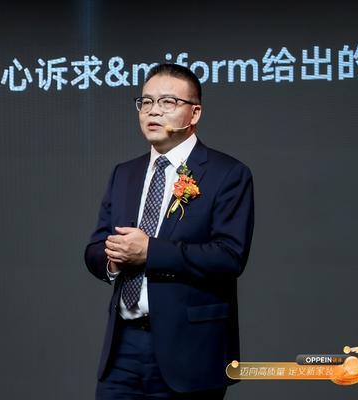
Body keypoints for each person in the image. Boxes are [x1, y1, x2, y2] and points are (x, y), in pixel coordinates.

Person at [84, 63, 254, 399]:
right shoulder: (125, 173)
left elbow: (229, 256)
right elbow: (94, 249)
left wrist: (149, 251)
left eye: (167, 102)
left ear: (194, 113)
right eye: (146, 102)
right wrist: (114, 259)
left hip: (190, 350)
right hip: (123, 347)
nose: (153, 111)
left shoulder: (227, 173)